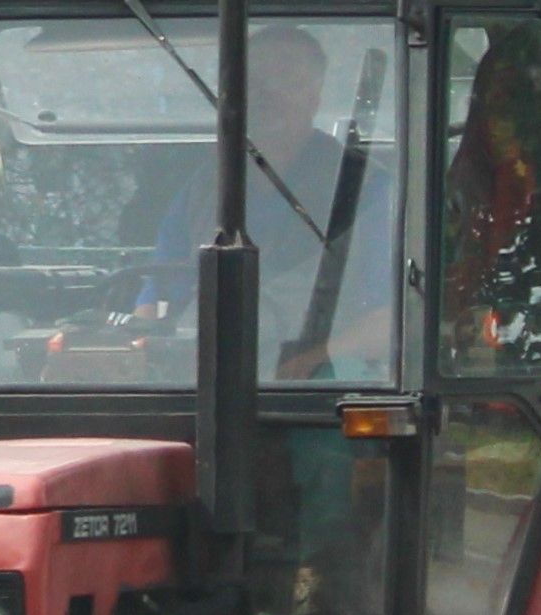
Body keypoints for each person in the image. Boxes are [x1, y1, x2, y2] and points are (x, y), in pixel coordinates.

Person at [134, 25, 393, 382]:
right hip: (201, 378)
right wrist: (135, 348)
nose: (269, 92)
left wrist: (309, 363)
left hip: (318, 387)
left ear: (314, 98)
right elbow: (157, 295)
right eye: (255, 81)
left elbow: (392, 320)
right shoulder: (200, 190)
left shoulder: (366, 188)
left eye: (287, 78)